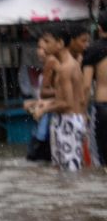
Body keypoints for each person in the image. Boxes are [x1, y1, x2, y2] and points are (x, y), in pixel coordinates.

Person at [29, 25, 88, 172]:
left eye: (47, 41)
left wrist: (45, 109)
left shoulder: (66, 68)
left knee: (70, 172)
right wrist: (45, 104)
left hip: (68, 121)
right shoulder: (70, 65)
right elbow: (76, 98)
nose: (43, 45)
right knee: (62, 171)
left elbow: (67, 103)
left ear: (60, 44)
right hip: (67, 120)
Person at [81, 15, 107, 166]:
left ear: (99, 28)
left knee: (100, 160)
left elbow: (86, 85)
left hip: (103, 107)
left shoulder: (93, 49)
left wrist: (83, 112)